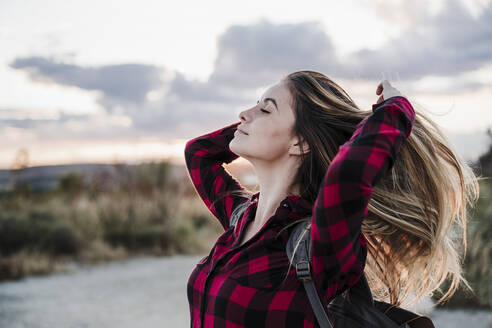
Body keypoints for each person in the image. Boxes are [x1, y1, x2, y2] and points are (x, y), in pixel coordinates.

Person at [184, 70, 479, 327]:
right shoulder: (240, 218)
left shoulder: (319, 245)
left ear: (301, 142)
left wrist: (395, 109)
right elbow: (198, 153)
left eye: (266, 109)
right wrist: (251, 128)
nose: (244, 114)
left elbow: (348, 174)